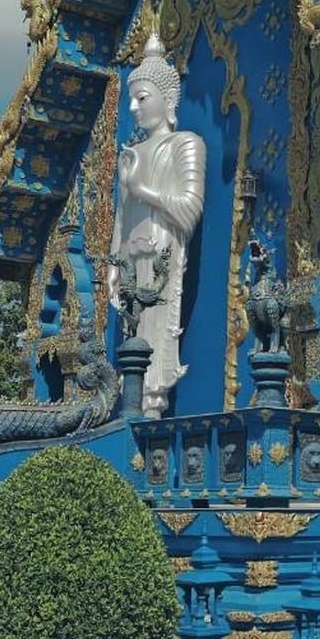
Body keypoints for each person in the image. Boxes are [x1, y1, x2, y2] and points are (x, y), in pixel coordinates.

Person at [109, 30, 205, 416]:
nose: (134, 107)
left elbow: (189, 208)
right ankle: (136, 405)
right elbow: (121, 217)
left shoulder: (186, 144)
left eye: (143, 98)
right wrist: (114, 265)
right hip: (132, 260)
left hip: (162, 251)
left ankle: (151, 407)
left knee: (153, 349)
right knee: (131, 341)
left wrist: (142, 190)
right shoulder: (131, 154)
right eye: (131, 99)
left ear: (167, 99)